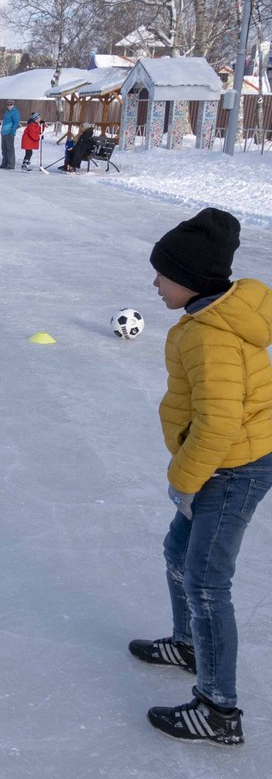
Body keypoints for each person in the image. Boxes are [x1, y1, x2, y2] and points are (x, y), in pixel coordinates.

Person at [131, 207, 272, 746]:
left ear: (189, 279)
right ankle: (189, 645)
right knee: (177, 552)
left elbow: (219, 420)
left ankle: (218, 709)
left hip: (232, 467)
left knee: (208, 583)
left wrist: (185, 481)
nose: (155, 283)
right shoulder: (211, 318)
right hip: (222, 459)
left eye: (162, 274)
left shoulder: (210, 336)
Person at [0, 100, 20, 169]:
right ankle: (4, 163)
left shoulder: (15, 112)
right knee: (4, 149)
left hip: (9, 133)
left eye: (10, 104)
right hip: (4, 132)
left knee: (10, 149)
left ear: (13, 105)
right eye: (8, 104)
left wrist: (12, 132)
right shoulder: (7, 111)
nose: (9, 106)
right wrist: (2, 131)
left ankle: (11, 164)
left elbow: (16, 123)